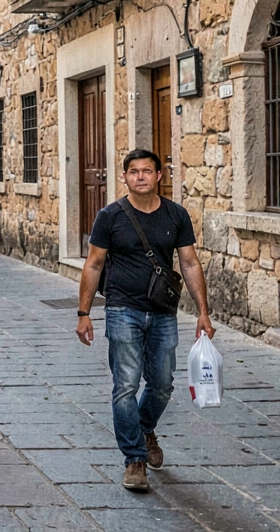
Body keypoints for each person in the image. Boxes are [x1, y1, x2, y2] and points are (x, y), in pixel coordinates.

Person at [76, 149, 213, 493]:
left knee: (163, 383)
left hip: (163, 311)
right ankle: (134, 459)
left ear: (159, 176)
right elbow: (93, 264)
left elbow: (190, 262)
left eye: (147, 171)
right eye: (134, 171)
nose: (140, 177)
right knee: (125, 384)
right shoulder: (110, 216)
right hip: (122, 308)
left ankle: (144, 427)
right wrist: (84, 313)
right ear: (124, 177)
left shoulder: (176, 214)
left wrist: (203, 311)